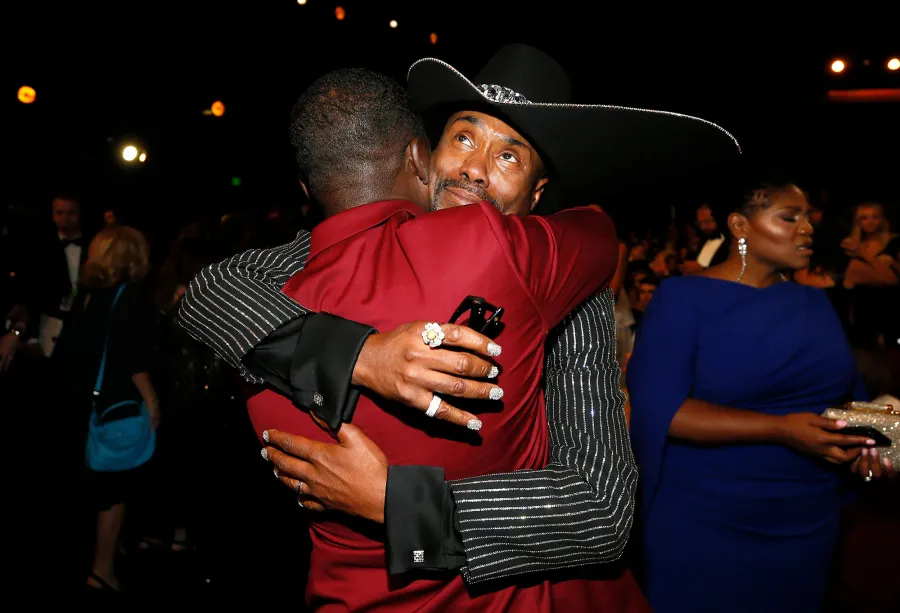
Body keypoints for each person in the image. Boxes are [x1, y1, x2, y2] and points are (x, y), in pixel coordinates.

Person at [178, 44, 739, 589]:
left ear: (536, 194)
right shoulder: (356, 246)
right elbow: (214, 288)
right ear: (424, 157)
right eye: (464, 138)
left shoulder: (569, 290)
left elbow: (601, 511)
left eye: (509, 156)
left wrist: (401, 504)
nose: (474, 170)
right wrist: (362, 355)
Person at [626, 176, 896, 613]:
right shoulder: (682, 298)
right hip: (707, 519)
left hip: (809, 517)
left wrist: (873, 437)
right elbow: (663, 412)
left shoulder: (813, 302)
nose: (807, 228)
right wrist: (780, 429)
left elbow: (842, 398)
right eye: (789, 217)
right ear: (739, 225)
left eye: (809, 217)